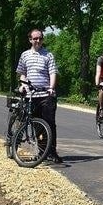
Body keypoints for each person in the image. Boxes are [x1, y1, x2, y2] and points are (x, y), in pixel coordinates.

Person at [16, 28, 63, 164]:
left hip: (45, 94)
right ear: (30, 40)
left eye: (40, 38)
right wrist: (24, 85)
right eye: (35, 38)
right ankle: (41, 151)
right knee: (36, 125)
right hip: (31, 95)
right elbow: (22, 73)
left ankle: (52, 152)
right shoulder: (24, 55)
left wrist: (51, 88)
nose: (38, 41)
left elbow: (53, 72)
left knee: (50, 124)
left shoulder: (48, 55)